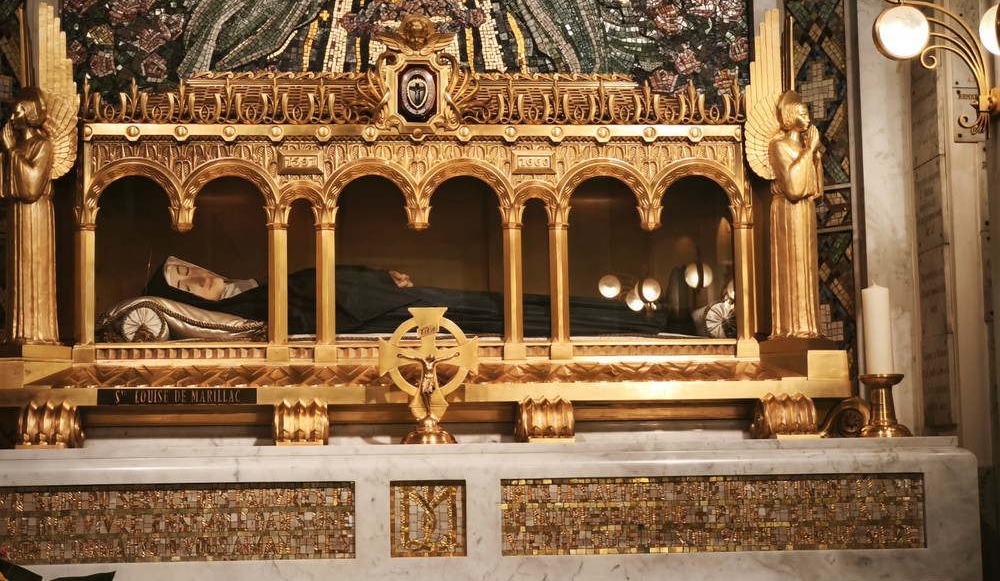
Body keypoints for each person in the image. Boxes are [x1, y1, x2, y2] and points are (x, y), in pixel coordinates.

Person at [140, 257, 670, 337]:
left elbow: (325, 276)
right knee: (500, 318)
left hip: (381, 298)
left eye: (188, 268)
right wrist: (377, 291)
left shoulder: (253, 286)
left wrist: (378, 274)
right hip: (378, 315)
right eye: (182, 283)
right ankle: (634, 323)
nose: (194, 277)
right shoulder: (241, 311)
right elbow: (313, 306)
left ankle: (642, 319)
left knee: (503, 305)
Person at [1, 88, 58, 344]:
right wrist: (9, 153)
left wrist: (12, 151)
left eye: (18, 112)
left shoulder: (42, 145)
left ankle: (38, 333)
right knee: (17, 270)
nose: (13, 117)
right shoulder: (20, 146)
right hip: (18, 214)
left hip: (35, 215)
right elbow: (7, 189)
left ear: (31, 114)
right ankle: (17, 333)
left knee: (34, 270)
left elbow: (31, 187)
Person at [768, 90, 822, 338]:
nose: (808, 118)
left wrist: (815, 156)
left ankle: (810, 327)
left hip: (805, 210)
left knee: (807, 267)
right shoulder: (779, 145)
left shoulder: (804, 148)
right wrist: (808, 151)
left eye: (808, 113)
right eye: (802, 113)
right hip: (788, 212)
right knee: (793, 266)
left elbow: (816, 191)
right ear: (790, 117)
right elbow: (792, 187)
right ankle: (791, 329)